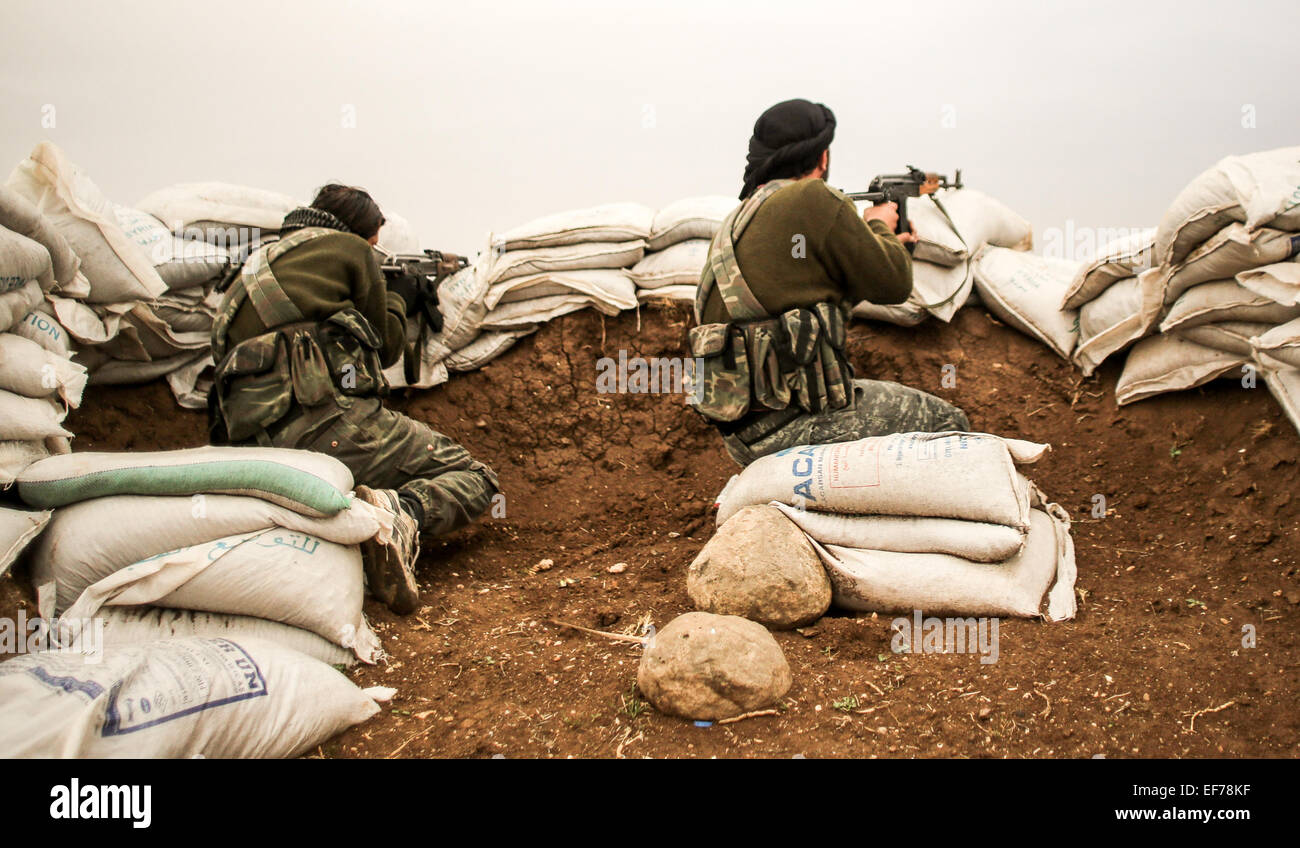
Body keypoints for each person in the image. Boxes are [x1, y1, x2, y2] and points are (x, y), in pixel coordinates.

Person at [209, 184, 499, 614]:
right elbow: (388, 347)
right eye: (372, 243)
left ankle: (352, 532)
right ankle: (395, 520)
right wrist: (400, 297)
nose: (370, 250)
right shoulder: (350, 250)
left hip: (244, 445)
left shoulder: (254, 264)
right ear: (360, 235)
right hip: (325, 425)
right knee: (477, 477)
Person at [691, 98, 971, 465]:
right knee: (950, 423)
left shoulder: (734, 221)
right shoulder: (813, 197)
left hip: (739, 433)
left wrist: (878, 243)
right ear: (822, 157)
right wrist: (880, 226)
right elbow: (895, 285)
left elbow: (811, 296)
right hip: (795, 425)